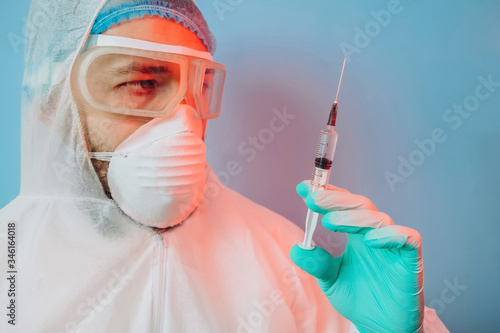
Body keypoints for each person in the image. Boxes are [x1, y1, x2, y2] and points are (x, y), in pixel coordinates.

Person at [0, 0, 449, 332]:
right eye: (142, 82)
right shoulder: (10, 260)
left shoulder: (289, 259)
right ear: (53, 100)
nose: (182, 122)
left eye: (198, 87)